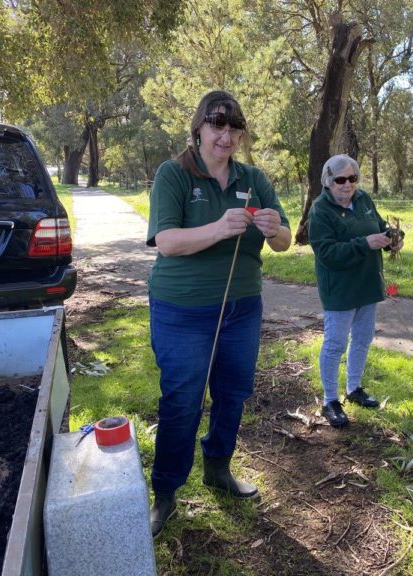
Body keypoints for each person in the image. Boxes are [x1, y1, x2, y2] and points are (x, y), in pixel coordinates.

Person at [146, 90, 291, 538]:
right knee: (183, 400)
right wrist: (218, 227)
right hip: (181, 312)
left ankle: (218, 469)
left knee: (232, 393)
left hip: (242, 310)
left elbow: (285, 241)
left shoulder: (253, 179)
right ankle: (166, 492)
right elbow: (167, 242)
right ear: (199, 128)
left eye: (233, 127)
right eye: (216, 125)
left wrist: (274, 228)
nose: (225, 135)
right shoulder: (173, 174)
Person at [308, 154, 404, 428]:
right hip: (340, 289)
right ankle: (330, 400)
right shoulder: (320, 210)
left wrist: (391, 239)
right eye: (340, 180)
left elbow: (378, 227)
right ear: (328, 181)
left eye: (352, 178)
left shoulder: (362, 200)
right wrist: (364, 243)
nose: (348, 185)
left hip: (367, 283)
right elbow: (327, 253)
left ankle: (353, 388)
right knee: (335, 343)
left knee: (362, 338)